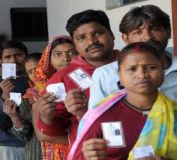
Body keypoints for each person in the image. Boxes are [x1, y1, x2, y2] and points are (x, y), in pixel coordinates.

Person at [68, 42, 177, 160]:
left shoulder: (173, 112)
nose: (142, 74)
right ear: (119, 75)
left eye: (151, 67)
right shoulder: (101, 116)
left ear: (162, 71)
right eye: (132, 69)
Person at [36, 10, 119, 148]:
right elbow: (53, 132)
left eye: (98, 33)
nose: (91, 41)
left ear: (111, 34)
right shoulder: (61, 78)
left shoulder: (135, 64)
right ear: (75, 43)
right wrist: (46, 116)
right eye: (81, 38)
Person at [89, 5, 177, 108]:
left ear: (168, 32)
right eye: (138, 32)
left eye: (155, 29)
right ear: (125, 38)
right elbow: (96, 117)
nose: (147, 37)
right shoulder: (105, 75)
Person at [16, 36, 78, 160]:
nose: (65, 59)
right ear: (49, 60)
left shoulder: (91, 78)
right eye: (58, 54)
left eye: (72, 52)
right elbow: (42, 135)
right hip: (62, 149)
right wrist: (79, 140)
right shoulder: (40, 91)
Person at [0, 40, 29, 160]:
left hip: (40, 143)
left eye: (18, 55)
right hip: (11, 146)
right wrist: (3, 98)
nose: (13, 60)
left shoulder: (35, 81)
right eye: (7, 57)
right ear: (1, 61)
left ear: (26, 57)